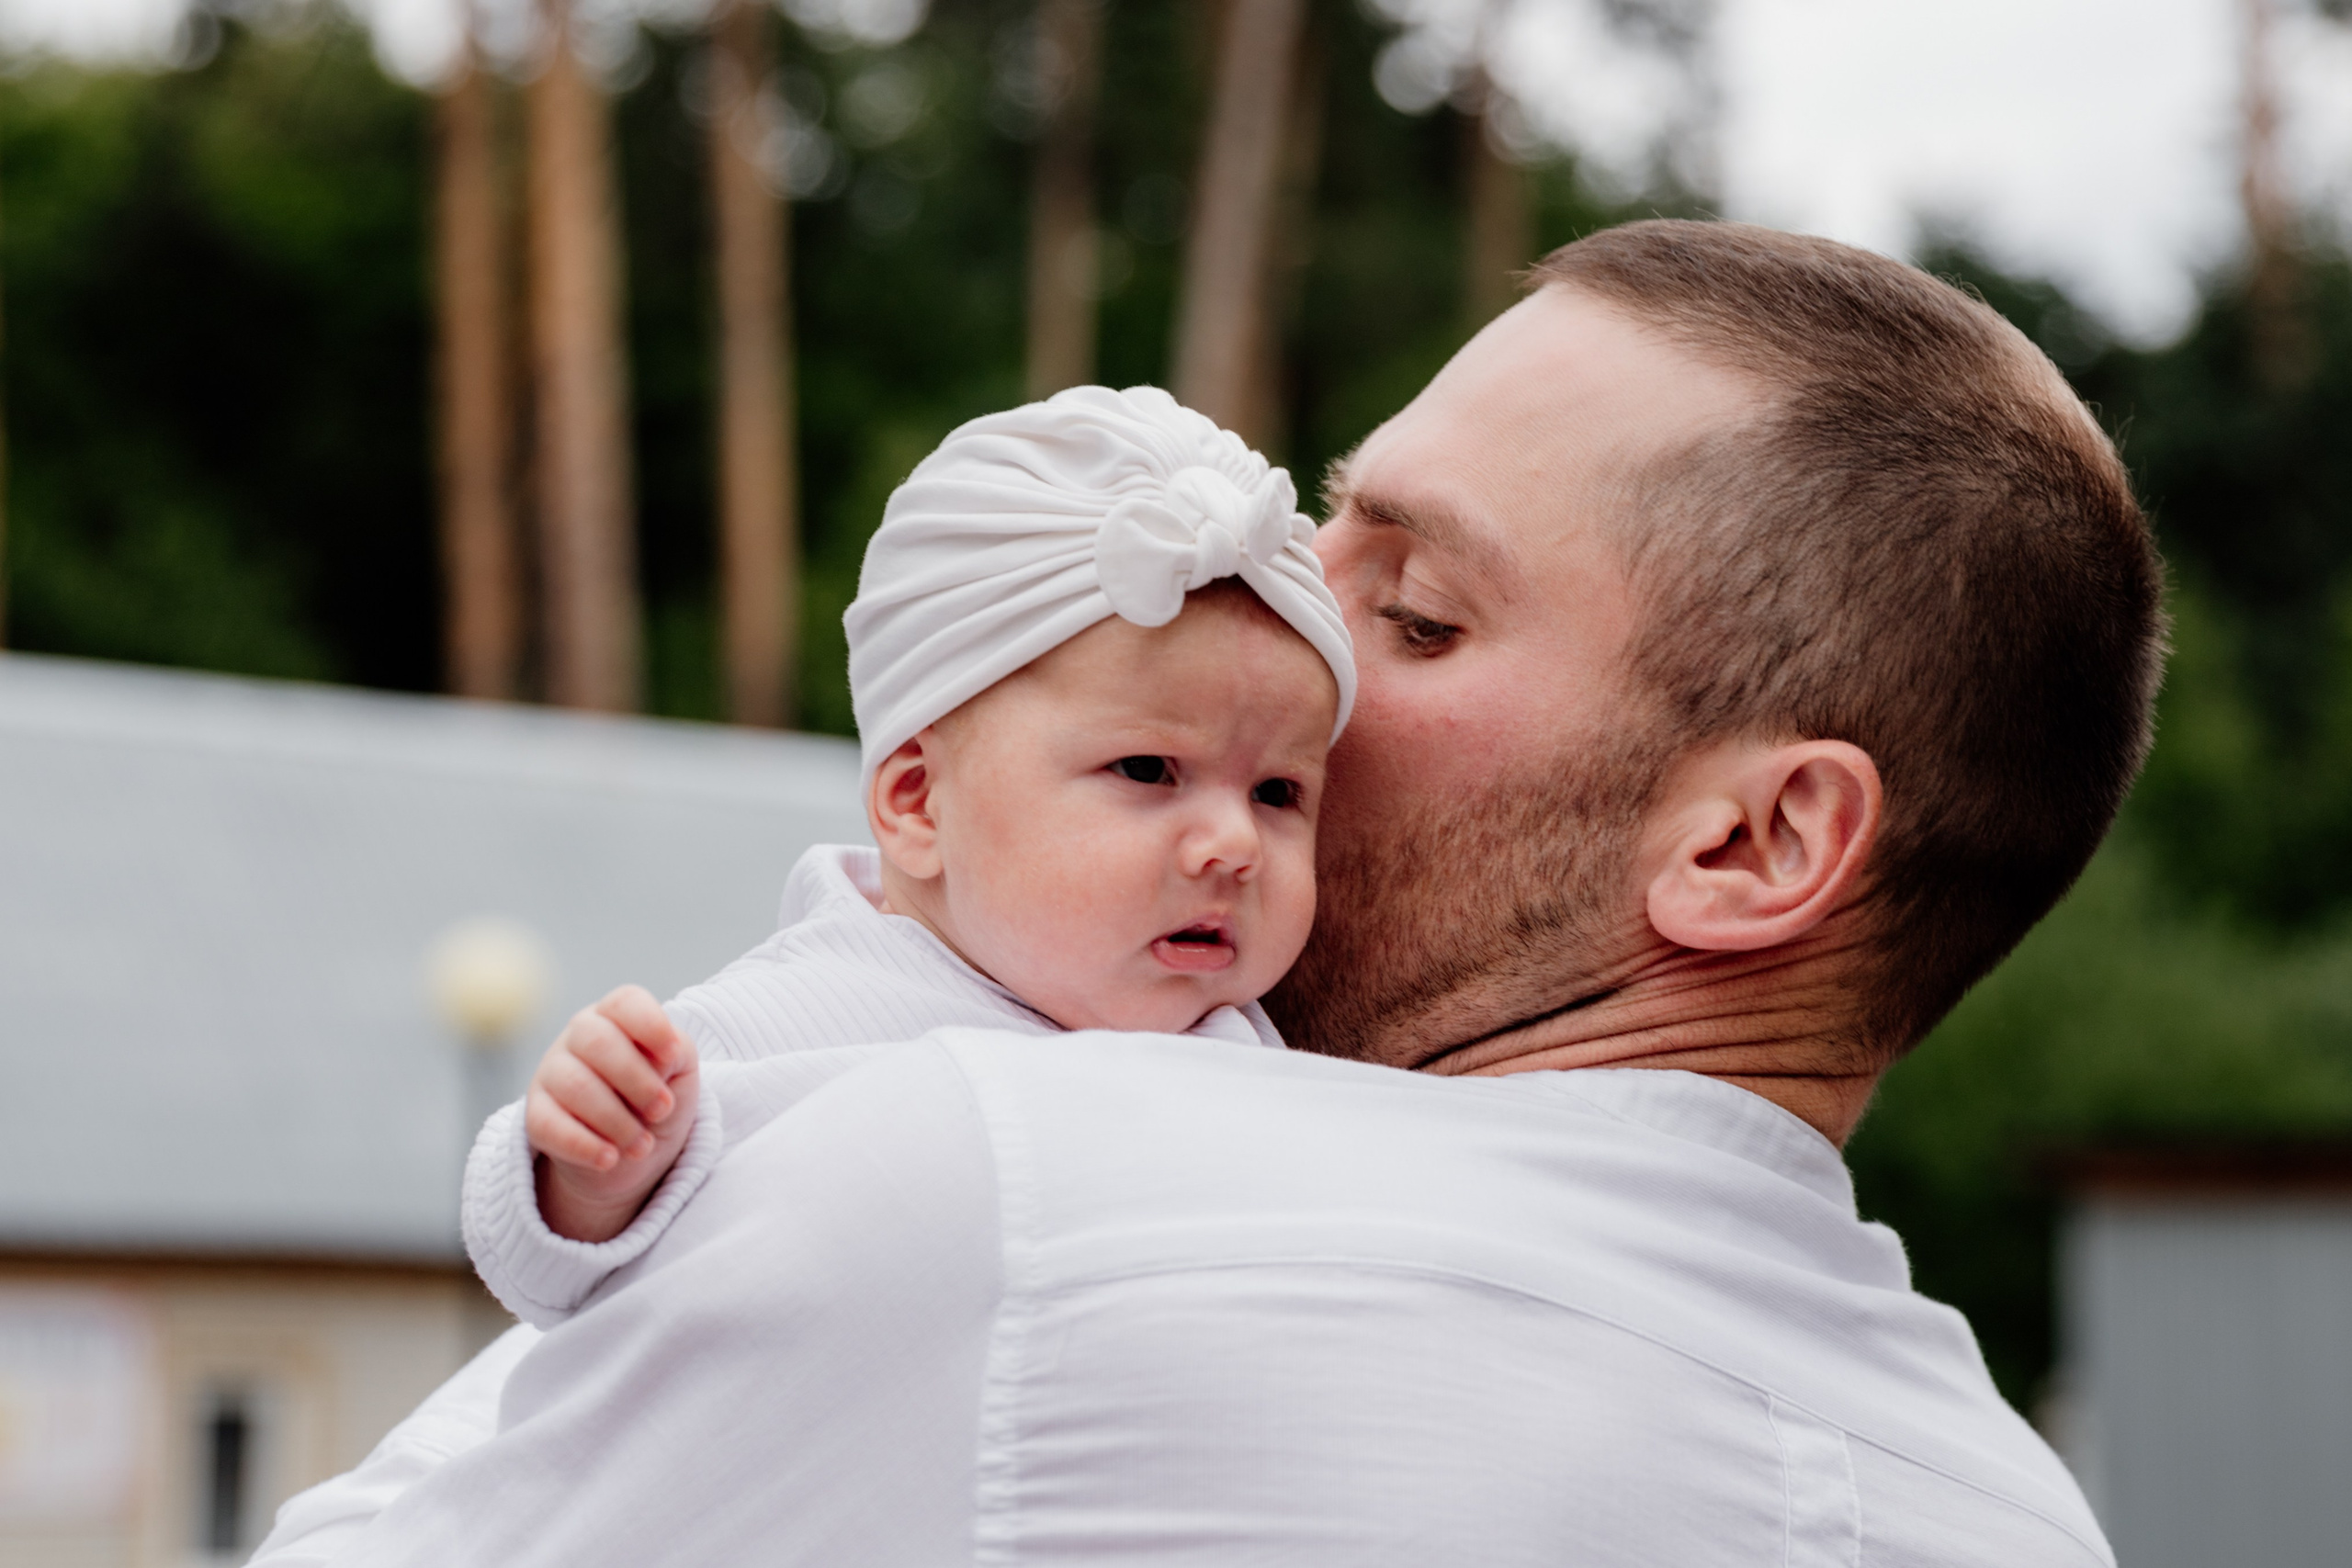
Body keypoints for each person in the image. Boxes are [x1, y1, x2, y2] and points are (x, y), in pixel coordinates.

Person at [256, 221, 2161, 1568]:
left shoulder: (1015, 1181)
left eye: (1410, 607)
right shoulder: (2010, 1513)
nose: (1280, 622)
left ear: (1750, 845)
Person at [461, 383, 1352, 1317]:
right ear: (918, 802)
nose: (1234, 844)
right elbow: (547, 1281)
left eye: (1278, 792)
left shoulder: (1256, 1048)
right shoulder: (802, 1015)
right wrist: (592, 1178)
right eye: (1147, 769)